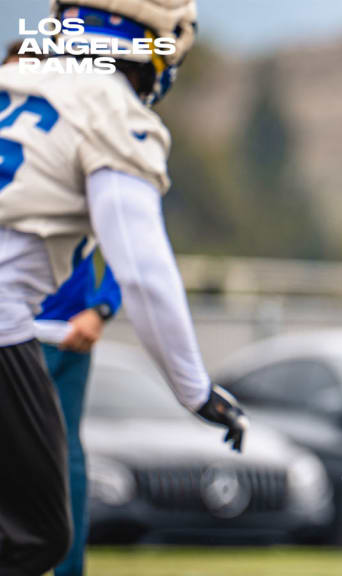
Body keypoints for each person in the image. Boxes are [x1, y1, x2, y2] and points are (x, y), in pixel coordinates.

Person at [0, 2, 248, 574]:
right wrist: (196, 390)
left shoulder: (14, 78)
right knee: (37, 533)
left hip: (22, 327)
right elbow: (142, 268)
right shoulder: (111, 110)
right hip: (11, 325)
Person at [36, 251, 121, 576]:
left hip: (64, 335)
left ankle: (68, 569)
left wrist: (102, 308)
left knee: (64, 453)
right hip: (15, 328)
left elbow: (127, 238)